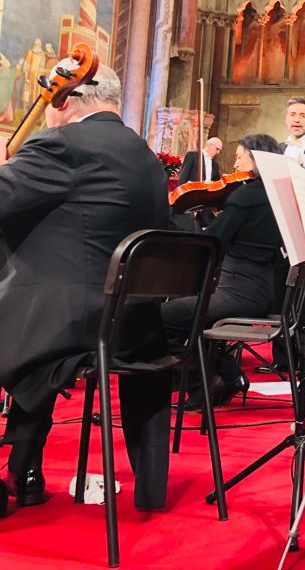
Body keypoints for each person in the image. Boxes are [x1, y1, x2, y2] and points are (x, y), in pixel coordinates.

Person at [0, 61, 172, 513]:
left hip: (74, 323)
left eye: (50, 101)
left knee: (21, 300)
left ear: (66, 99)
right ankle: (26, 466)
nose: (47, 110)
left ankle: (21, 464)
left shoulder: (64, 145)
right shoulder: (146, 157)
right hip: (135, 325)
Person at [162, 134, 285, 407]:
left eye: (241, 156)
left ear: (256, 159)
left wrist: (203, 218)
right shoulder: (277, 194)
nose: (236, 162)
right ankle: (225, 375)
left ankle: (205, 380)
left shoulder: (246, 196)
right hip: (263, 289)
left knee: (162, 316)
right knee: (191, 314)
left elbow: (213, 243)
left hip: (238, 292)